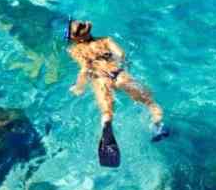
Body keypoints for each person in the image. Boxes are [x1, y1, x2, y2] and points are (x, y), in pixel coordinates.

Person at [66, 19, 169, 167]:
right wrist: (122, 65)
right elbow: (121, 54)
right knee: (149, 101)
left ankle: (107, 126)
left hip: (100, 78)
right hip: (118, 73)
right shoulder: (106, 40)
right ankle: (157, 126)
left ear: (75, 38)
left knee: (107, 112)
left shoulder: (74, 50)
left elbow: (85, 68)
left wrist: (79, 86)